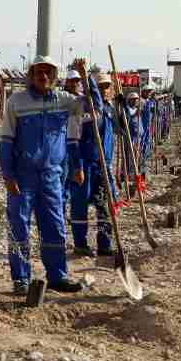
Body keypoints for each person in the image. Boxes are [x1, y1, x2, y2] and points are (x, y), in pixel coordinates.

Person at [0, 55, 86, 295]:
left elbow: (92, 107)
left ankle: (58, 275)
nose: (43, 76)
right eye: (39, 71)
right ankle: (21, 279)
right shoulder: (16, 102)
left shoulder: (64, 101)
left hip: (51, 176)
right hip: (23, 176)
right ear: (31, 74)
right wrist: (8, 176)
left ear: (55, 76)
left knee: (55, 226)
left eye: (48, 71)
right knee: (19, 227)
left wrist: (85, 77)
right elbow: (6, 141)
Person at [70, 69, 120, 257]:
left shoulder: (110, 108)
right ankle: (80, 244)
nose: (104, 90)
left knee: (105, 204)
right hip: (86, 162)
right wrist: (77, 166)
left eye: (107, 86)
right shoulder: (83, 107)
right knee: (80, 204)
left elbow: (121, 129)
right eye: (100, 87)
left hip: (103, 164)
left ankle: (104, 244)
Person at [61, 70, 83, 218]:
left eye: (77, 81)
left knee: (74, 179)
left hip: (78, 143)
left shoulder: (81, 100)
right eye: (72, 81)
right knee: (63, 179)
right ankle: (60, 213)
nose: (75, 83)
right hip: (64, 143)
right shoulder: (62, 98)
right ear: (67, 83)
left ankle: (67, 212)